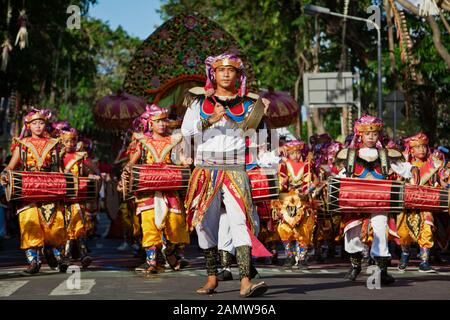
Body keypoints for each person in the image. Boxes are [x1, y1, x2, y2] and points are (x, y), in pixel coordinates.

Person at [182, 53, 268, 298]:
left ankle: (245, 281)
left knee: (241, 221)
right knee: (203, 225)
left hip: (235, 170)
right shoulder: (199, 103)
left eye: (232, 70)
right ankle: (211, 278)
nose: (227, 74)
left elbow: (259, 139)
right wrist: (211, 120)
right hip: (205, 169)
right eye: (222, 70)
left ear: (239, 76)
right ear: (214, 74)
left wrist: (261, 116)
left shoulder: (250, 104)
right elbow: (186, 133)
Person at [333, 115, 414, 285]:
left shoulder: (385, 155)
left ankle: (381, 271)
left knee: (380, 231)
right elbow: (340, 176)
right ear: (360, 134)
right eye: (367, 134)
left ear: (379, 135)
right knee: (352, 232)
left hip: (380, 200)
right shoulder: (350, 154)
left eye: (375, 134)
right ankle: (355, 265)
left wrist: (412, 169)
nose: (371, 137)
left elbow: (403, 169)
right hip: (356, 201)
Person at [120, 104, 191, 274]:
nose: (162, 124)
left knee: (176, 223)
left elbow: (180, 158)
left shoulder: (174, 139)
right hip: (147, 188)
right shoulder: (143, 141)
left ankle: (170, 252)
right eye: (158, 121)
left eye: (164, 121)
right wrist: (127, 170)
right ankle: (151, 261)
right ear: (150, 123)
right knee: (149, 224)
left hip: (169, 187)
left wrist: (185, 161)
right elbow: (131, 162)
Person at [1, 108, 68, 274]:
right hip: (28, 189)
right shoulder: (21, 144)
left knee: (55, 224)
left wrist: (64, 183)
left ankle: (57, 255)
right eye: (34, 123)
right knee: (29, 222)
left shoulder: (54, 143)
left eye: (41, 123)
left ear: (45, 125)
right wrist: (5, 174)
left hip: (49, 187)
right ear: (28, 126)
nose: (38, 126)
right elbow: (11, 166)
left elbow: (59, 168)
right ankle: (33, 261)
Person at [396, 133, 446, 272]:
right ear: (411, 150)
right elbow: (398, 182)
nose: (422, 150)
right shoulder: (405, 164)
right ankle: (405, 255)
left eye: (424, 146)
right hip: (407, 204)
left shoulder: (434, 163)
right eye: (418, 147)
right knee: (403, 233)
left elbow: (440, 182)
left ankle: (424, 261)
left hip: (425, 203)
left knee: (427, 228)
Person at [59, 127, 100, 268]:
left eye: (73, 140)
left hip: (78, 196)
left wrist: (92, 176)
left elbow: (89, 172)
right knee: (66, 227)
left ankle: (82, 254)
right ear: (61, 142)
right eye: (67, 141)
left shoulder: (81, 157)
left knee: (79, 225)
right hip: (63, 198)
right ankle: (65, 256)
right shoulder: (57, 157)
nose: (70, 144)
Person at [272, 140, 317, 269]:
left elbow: (315, 181)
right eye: (292, 153)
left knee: (303, 228)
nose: (295, 155)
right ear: (288, 153)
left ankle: (302, 258)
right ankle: (289, 255)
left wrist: (309, 190)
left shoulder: (306, 165)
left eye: (298, 152)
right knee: (284, 228)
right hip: (287, 201)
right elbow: (280, 182)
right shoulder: (283, 165)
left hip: (302, 201)